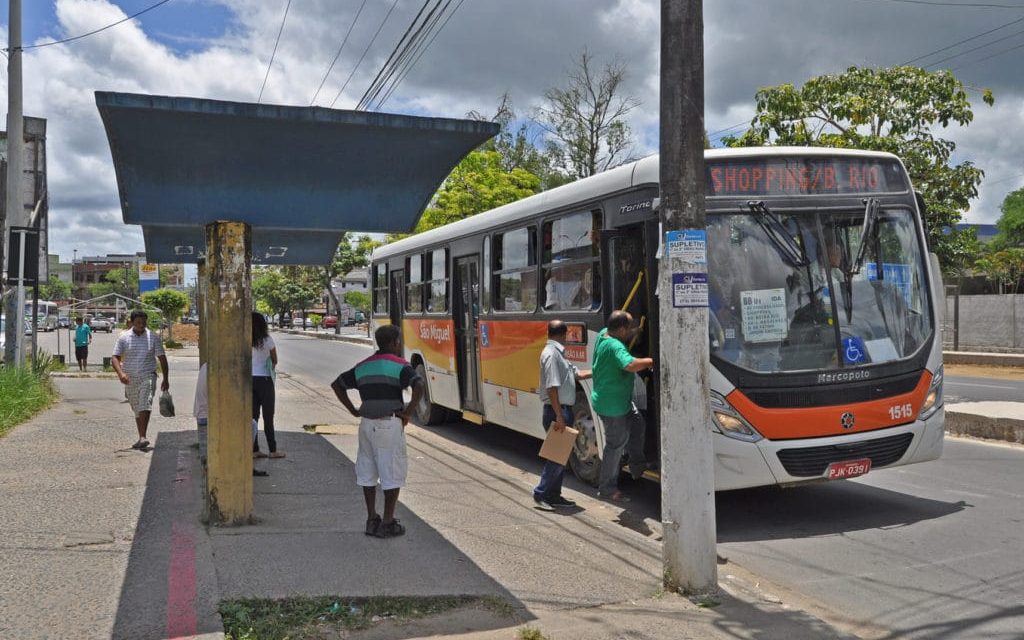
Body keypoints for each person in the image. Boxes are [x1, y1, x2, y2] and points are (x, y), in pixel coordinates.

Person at [331, 324, 424, 538]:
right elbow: (419, 386)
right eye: (399, 341)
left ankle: (372, 519)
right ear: (395, 343)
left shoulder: (363, 365)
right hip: (388, 424)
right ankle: (388, 522)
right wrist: (408, 413)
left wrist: (353, 410)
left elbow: (337, 384)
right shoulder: (400, 365)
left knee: (367, 470)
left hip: (366, 424)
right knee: (391, 472)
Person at [591, 310, 654, 502]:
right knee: (615, 445)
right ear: (620, 329)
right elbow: (630, 365)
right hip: (613, 407)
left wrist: (635, 333)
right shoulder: (614, 346)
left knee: (637, 423)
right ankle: (607, 489)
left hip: (619, 402)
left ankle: (637, 465)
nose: (630, 331)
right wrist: (654, 360)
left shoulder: (603, 334)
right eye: (628, 328)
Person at [533, 320, 591, 511]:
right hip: (556, 411)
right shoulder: (551, 354)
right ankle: (541, 493)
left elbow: (577, 374)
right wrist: (559, 415)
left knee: (560, 456)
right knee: (556, 457)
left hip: (560, 410)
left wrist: (600, 370)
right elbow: (551, 388)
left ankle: (554, 495)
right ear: (564, 334)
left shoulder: (558, 353)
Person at [194, 362, 268, 476]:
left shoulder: (206, 366)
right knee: (251, 424)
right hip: (211, 417)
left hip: (202, 414)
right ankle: (243, 463)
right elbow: (226, 401)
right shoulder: (219, 369)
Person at [111, 310, 169, 450]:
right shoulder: (124, 338)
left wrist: (166, 379)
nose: (141, 325)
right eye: (138, 322)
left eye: (144, 322)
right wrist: (120, 374)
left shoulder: (153, 337)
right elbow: (115, 357)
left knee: (145, 402)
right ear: (132, 322)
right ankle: (140, 437)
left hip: (148, 375)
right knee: (137, 408)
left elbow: (162, 358)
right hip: (130, 378)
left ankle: (143, 437)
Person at [251, 313, 283, 459]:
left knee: (253, 417)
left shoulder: (245, 339)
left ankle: (255, 449)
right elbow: (275, 360)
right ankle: (272, 450)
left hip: (249, 380)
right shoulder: (267, 340)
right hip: (265, 379)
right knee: (268, 416)